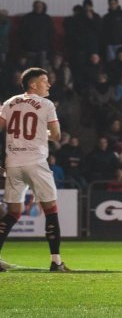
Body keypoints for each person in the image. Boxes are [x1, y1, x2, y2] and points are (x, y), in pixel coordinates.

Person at [0, 68, 68, 272]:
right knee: (51, 210)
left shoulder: (9, 102)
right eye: (45, 81)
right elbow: (56, 135)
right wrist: (44, 133)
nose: (49, 84)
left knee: (13, 212)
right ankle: (56, 262)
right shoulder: (46, 104)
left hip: (13, 162)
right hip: (36, 162)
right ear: (33, 84)